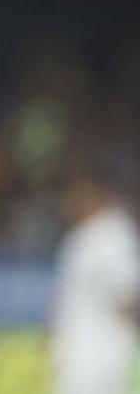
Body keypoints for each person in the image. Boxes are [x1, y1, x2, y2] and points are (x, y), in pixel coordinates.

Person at [50, 164, 139, 394]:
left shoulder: (115, 234)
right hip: (75, 354)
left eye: (74, 194)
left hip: (103, 359)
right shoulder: (77, 238)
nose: (69, 202)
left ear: (92, 194)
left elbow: (129, 297)